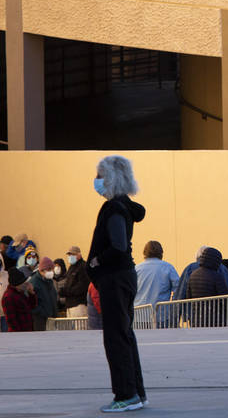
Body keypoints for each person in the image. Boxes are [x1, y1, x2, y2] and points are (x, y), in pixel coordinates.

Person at [87, 154, 148, 412]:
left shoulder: (113, 208)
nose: (96, 181)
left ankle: (125, 394)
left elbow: (119, 246)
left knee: (115, 337)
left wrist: (95, 262)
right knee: (125, 334)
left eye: (100, 176)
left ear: (110, 179)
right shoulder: (125, 206)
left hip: (114, 278)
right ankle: (136, 392)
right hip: (124, 278)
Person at [134, 240, 179, 307]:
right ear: (161, 253)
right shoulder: (168, 267)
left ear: (145, 253)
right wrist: (171, 306)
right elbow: (178, 287)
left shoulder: (137, 269)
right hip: (161, 313)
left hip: (139, 313)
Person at [1, 267, 36, 332]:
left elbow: (32, 306)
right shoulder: (9, 297)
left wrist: (31, 293)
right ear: (17, 284)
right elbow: (11, 320)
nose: (26, 284)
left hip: (27, 331)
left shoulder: (20, 293)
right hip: (19, 334)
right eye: (23, 283)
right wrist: (19, 335)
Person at [29, 257, 60, 331]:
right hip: (40, 320)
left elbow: (53, 297)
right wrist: (42, 313)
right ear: (42, 270)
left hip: (51, 318)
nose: (51, 272)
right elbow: (32, 303)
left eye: (52, 269)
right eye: (49, 270)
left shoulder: (49, 281)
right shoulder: (34, 282)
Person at [64, 245, 91, 318]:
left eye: (72, 254)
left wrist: (68, 291)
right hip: (70, 305)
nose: (70, 256)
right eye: (69, 255)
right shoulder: (71, 268)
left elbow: (83, 285)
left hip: (79, 305)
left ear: (79, 255)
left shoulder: (83, 266)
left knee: (80, 328)